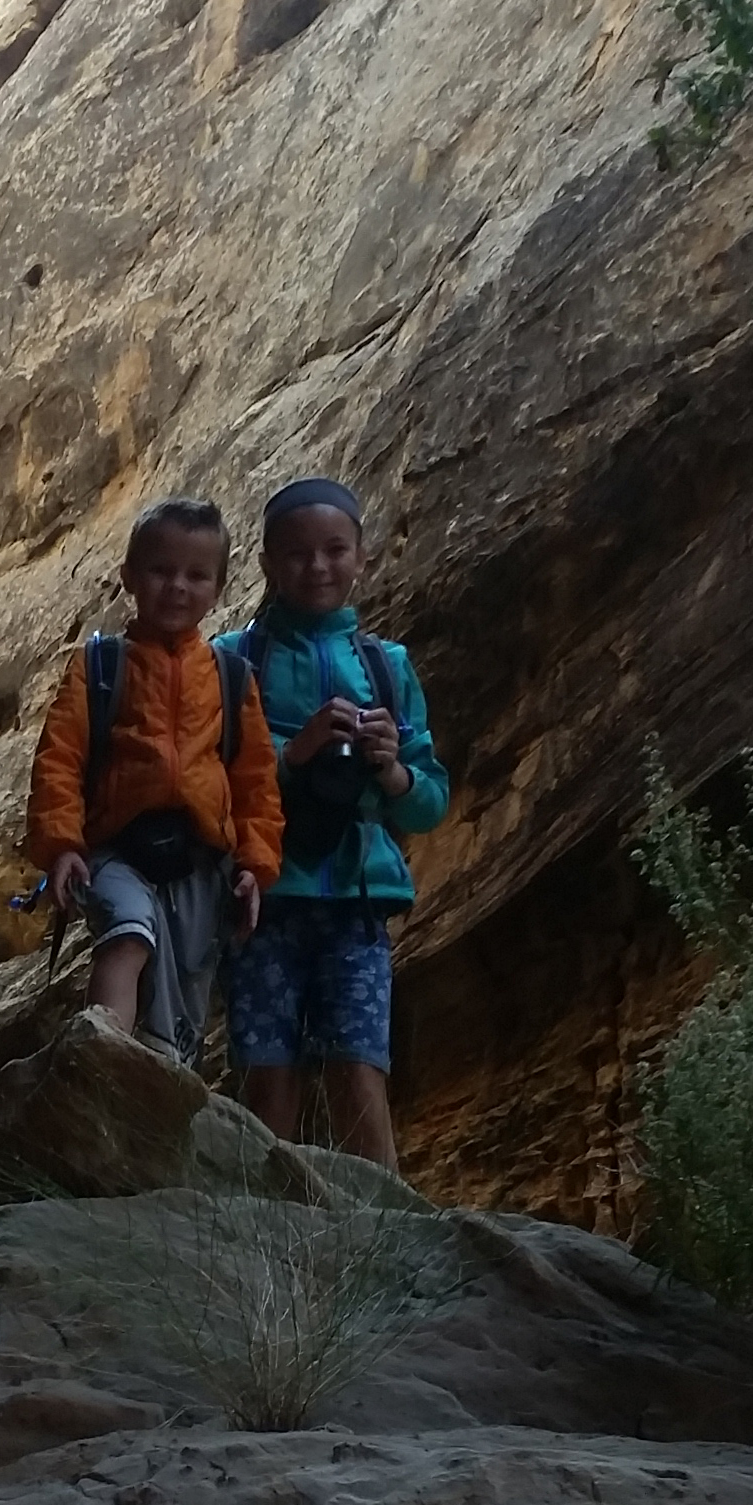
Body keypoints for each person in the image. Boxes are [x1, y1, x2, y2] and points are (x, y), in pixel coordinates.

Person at [226, 476, 448, 1169]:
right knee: (270, 1075)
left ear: (361, 557)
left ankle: (381, 1243)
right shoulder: (235, 661)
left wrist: (389, 769)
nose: (317, 568)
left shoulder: (387, 668)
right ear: (266, 562)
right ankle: (264, 1243)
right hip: (264, 902)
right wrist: (296, 755)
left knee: (359, 1070)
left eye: (334, 550)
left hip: (356, 902)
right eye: (296, 554)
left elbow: (429, 800)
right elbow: (209, 784)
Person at [25, 497, 284, 1065]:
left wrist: (254, 864)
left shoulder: (230, 678)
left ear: (218, 588)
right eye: (161, 571)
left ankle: (162, 1069)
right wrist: (64, 846)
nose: (178, 587)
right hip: (115, 849)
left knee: (189, 982)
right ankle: (102, 1055)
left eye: (197, 575)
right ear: (130, 578)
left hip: (198, 862)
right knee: (128, 930)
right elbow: (60, 760)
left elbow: (255, 779)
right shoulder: (100, 667)